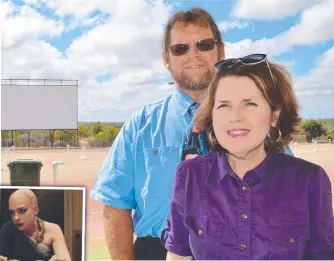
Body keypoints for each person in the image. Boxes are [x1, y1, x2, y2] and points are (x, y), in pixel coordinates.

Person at [162, 54, 334, 259]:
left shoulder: (309, 179)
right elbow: (178, 254)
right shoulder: (189, 175)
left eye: (250, 104)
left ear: (274, 115)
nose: (235, 117)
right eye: (224, 105)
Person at [90, 7, 225, 260]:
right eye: (180, 48)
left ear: (221, 51)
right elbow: (116, 205)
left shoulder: (254, 118)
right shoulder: (140, 125)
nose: (193, 54)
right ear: (166, 59)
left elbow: (285, 196)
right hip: (156, 250)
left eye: (204, 44)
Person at [0, 189, 71, 261]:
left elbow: (65, 259)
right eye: (12, 212)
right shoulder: (8, 229)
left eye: (22, 210)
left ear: (35, 210)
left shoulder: (53, 230)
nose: (16, 217)